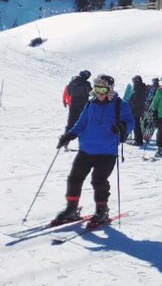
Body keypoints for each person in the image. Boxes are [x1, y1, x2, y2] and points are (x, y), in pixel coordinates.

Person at [53, 74, 134, 226]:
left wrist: (123, 127)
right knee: (74, 178)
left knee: (99, 181)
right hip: (86, 149)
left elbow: (131, 122)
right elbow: (81, 122)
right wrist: (69, 134)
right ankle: (71, 209)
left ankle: (101, 211)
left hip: (106, 151)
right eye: (96, 88)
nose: (99, 92)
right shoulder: (90, 104)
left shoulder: (120, 104)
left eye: (102, 88)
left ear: (110, 88)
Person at [62, 70, 92, 149]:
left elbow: (68, 92)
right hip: (83, 105)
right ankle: (83, 144)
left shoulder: (72, 83)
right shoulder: (86, 83)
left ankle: (65, 142)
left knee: (70, 124)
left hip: (73, 105)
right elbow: (91, 93)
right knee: (83, 124)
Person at [128, 75, 148, 146]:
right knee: (136, 125)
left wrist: (131, 103)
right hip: (136, 109)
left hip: (136, 110)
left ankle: (138, 140)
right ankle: (137, 139)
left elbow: (138, 101)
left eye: (133, 80)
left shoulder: (139, 88)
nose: (133, 82)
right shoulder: (138, 88)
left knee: (136, 125)